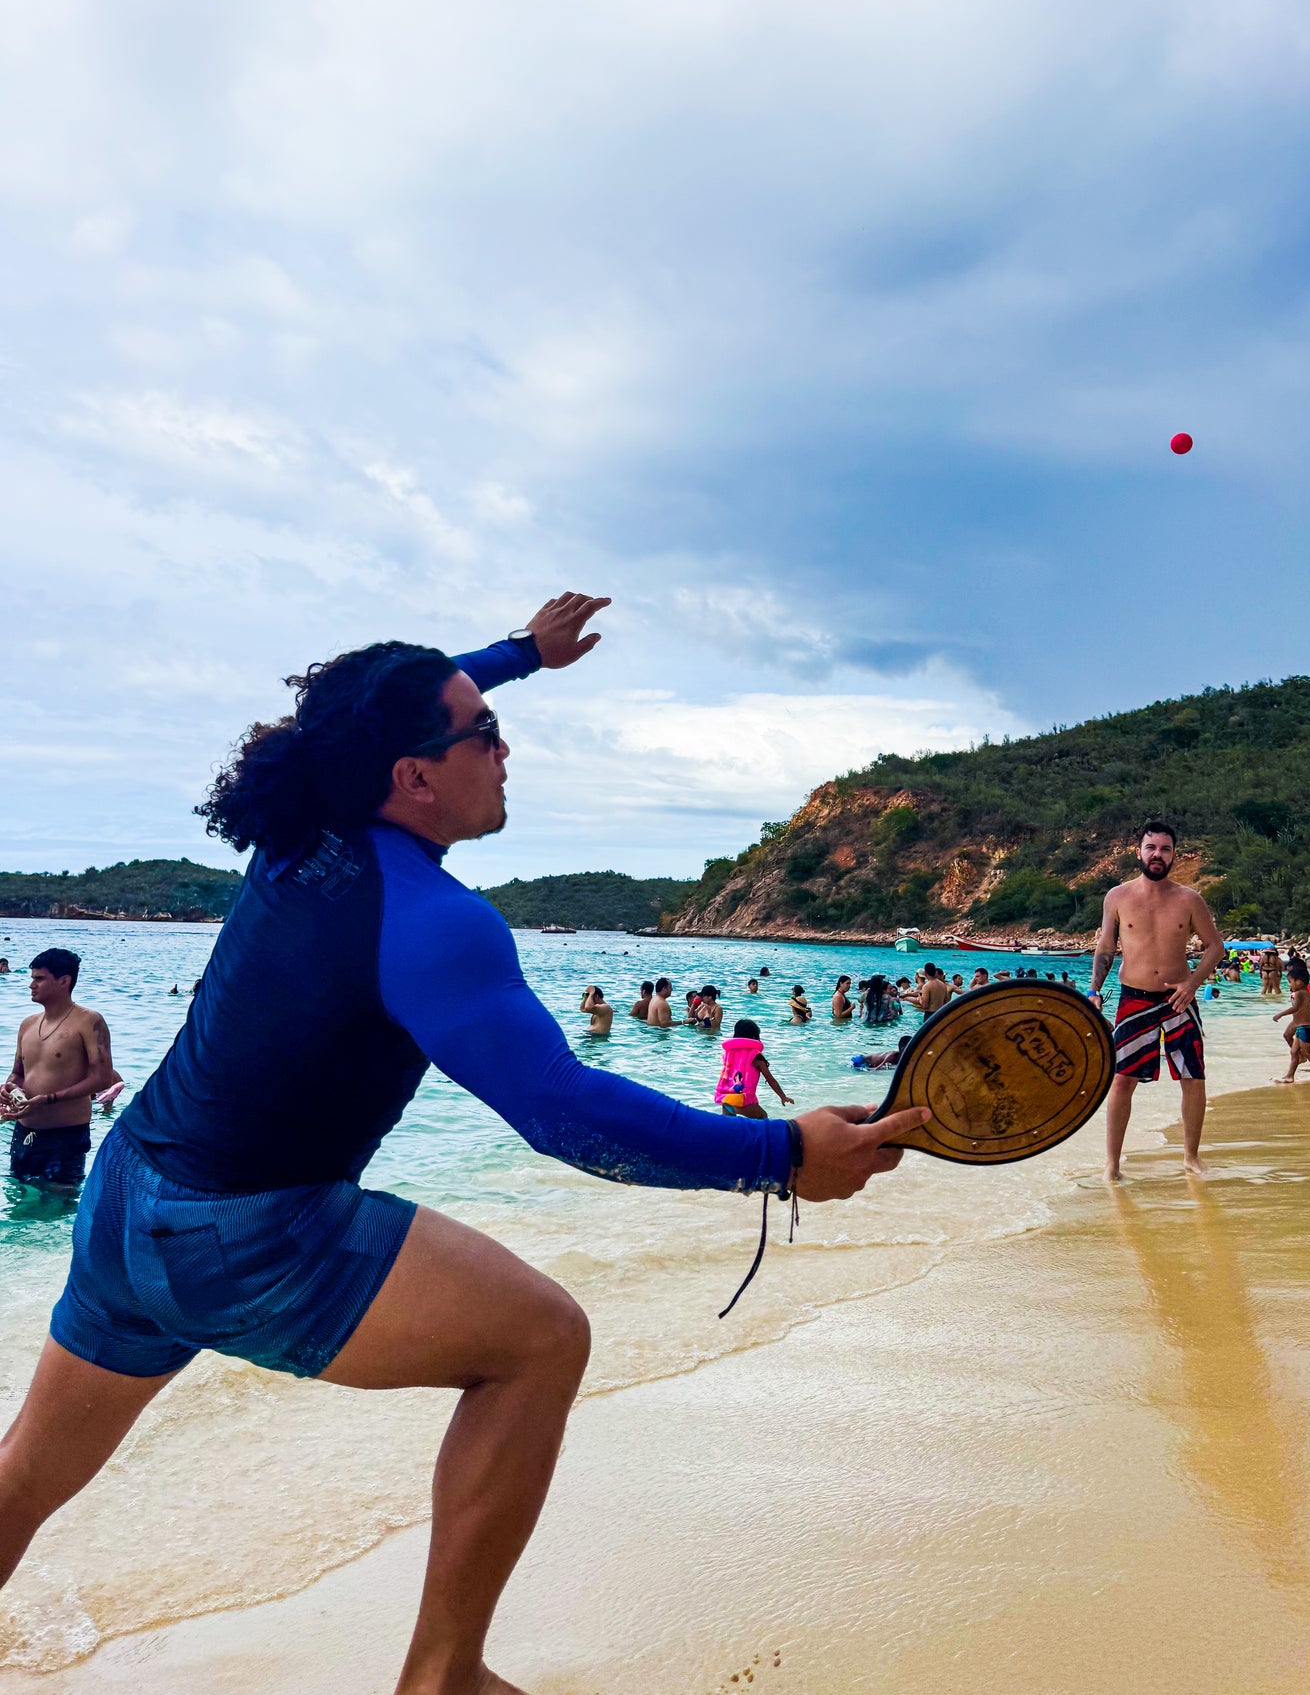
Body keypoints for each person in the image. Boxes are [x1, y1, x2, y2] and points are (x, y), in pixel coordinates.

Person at [0, 594, 927, 1695]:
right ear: (414, 776)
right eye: (480, 731)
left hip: (125, 1196)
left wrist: (523, 658)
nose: (503, 745)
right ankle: (443, 1675)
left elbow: (377, 704)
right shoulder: (436, 922)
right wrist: (775, 1154)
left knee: (26, 1476)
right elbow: (559, 1109)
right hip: (248, 1230)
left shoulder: (303, 825)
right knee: (538, 1341)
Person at [1091, 821, 1225, 1182]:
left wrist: (1194, 983)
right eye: (1151, 848)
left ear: (1174, 855)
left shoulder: (1188, 899)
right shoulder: (1116, 897)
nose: (1157, 855)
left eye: (1165, 849)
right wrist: (1093, 991)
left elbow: (1216, 947)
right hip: (1133, 999)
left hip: (1178, 999)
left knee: (1193, 1077)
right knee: (1122, 1080)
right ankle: (1113, 1165)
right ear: (1139, 852)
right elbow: (1106, 948)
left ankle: (1191, 1157)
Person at [2, 950, 116, 1189]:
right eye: (32, 978)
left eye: (39, 979)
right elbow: (18, 1072)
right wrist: (8, 1088)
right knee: (19, 1202)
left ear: (64, 981)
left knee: (58, 1205)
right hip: (24, 1132)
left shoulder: (89, 1021)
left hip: (65, 1136)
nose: (31, 985)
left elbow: (103, 1077)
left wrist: (49, 1099)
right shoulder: (28, 1024)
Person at [713, 1020, 795, 1119]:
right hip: (741, 1100)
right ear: (754, 1036)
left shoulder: (729, 1053)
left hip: (726, 1098)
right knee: (762, 1117)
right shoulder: (755, 1056)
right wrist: (783, 1096)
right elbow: (771, 1080)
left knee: (731, 1130)